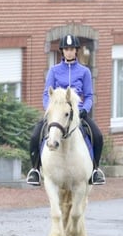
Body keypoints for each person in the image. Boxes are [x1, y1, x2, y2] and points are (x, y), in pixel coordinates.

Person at [26, 34, 105, 186]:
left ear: (76, 51)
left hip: (77, 114)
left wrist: (85, 110)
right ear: (62, 51)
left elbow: (89, 96)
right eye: (66, 49)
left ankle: (95, 170)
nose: (69, 52)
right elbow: (46, 94)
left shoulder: (84, 72)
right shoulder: (54, 71)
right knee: (35, 136)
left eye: (72, 49)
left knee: (98, 136)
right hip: (56, 115)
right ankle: (35, 170)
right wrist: (49, 110)